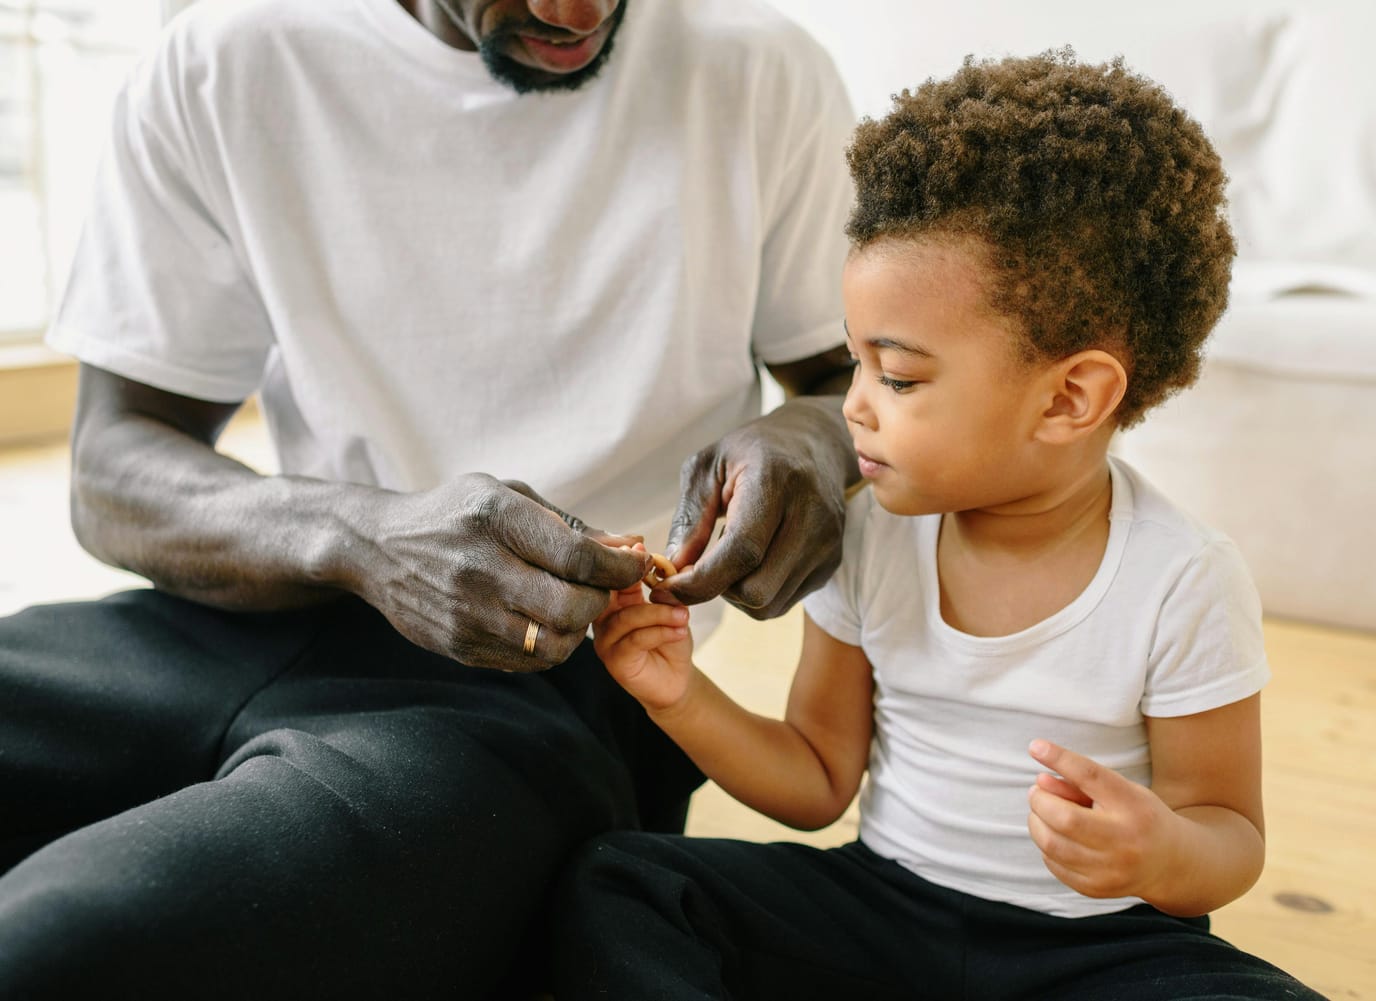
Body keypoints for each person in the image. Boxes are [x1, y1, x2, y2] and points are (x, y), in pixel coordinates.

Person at [0, 0, 862, 997]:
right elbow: (111, 463)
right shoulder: (225, 61)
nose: (573, 11)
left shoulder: (759, 72)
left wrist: (814, 428)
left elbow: (855, 379)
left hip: (551, 682)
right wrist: (363, 536)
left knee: (49, 948)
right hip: (235, 616)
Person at [552, 50, 1327, 1000]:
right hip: (884, 916)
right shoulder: (873, 533)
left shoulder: (1184, 578)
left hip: (1093, 955)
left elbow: (1229, 837)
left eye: (901, 377)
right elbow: (816, 777)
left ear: (1070, 398)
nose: (855, 408)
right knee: (628, 884)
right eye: (858, 365)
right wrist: (679, 695)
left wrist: (1159, 852)